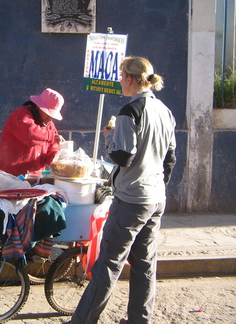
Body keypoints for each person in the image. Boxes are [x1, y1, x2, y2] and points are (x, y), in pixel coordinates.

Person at [70, 57, 176, 324]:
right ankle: (140, 320)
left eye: (120, 76)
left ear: (130, 79)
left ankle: (82, 321)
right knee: (144, 264)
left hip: (131, 199)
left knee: (108, 264)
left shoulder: (129, 112)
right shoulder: (164, 110)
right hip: (155, 198)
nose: (119, 81)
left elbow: (122, 155)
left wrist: (109, 134)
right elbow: (170, 158)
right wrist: (157, 185)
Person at [0, 88, 65, 176]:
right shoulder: (21, 114)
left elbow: (51, 153)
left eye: (52, 115)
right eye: (47, 113)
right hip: (10, 176)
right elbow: (30, 134)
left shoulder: (50, 126)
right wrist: (51, 137)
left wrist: (61, 158)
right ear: (38, 107)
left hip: (35, 177)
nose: (50, 118)